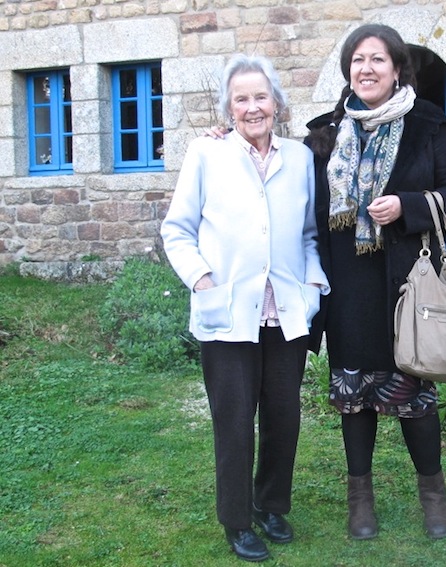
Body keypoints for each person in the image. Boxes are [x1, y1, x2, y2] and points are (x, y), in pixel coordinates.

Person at [304, 23, 446, 540]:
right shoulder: (325, 134)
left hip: (407, 290)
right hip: (348, 290)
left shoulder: (428, 126)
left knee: (413, 393)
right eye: (357, 60)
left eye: (377, 59)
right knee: (354, 398)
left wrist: (408, 207)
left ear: (397, 68)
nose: (367, 69)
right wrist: (226, 136)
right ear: (347, 71)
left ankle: (434, 496)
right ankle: (361, 500)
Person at [160, 54, 330, 562]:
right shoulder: (206, 154)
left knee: (284, 415)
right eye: (242, 98)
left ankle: (270, 504)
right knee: (233, 419)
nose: (253, 107)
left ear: (276, 103)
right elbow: (177, 230)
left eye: (261, 97)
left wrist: (314, 284)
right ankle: (236, 519)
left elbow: (308, 234)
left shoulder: (300, 158)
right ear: (228, 108)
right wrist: (203, 280)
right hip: (228, 310)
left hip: (286, 310)